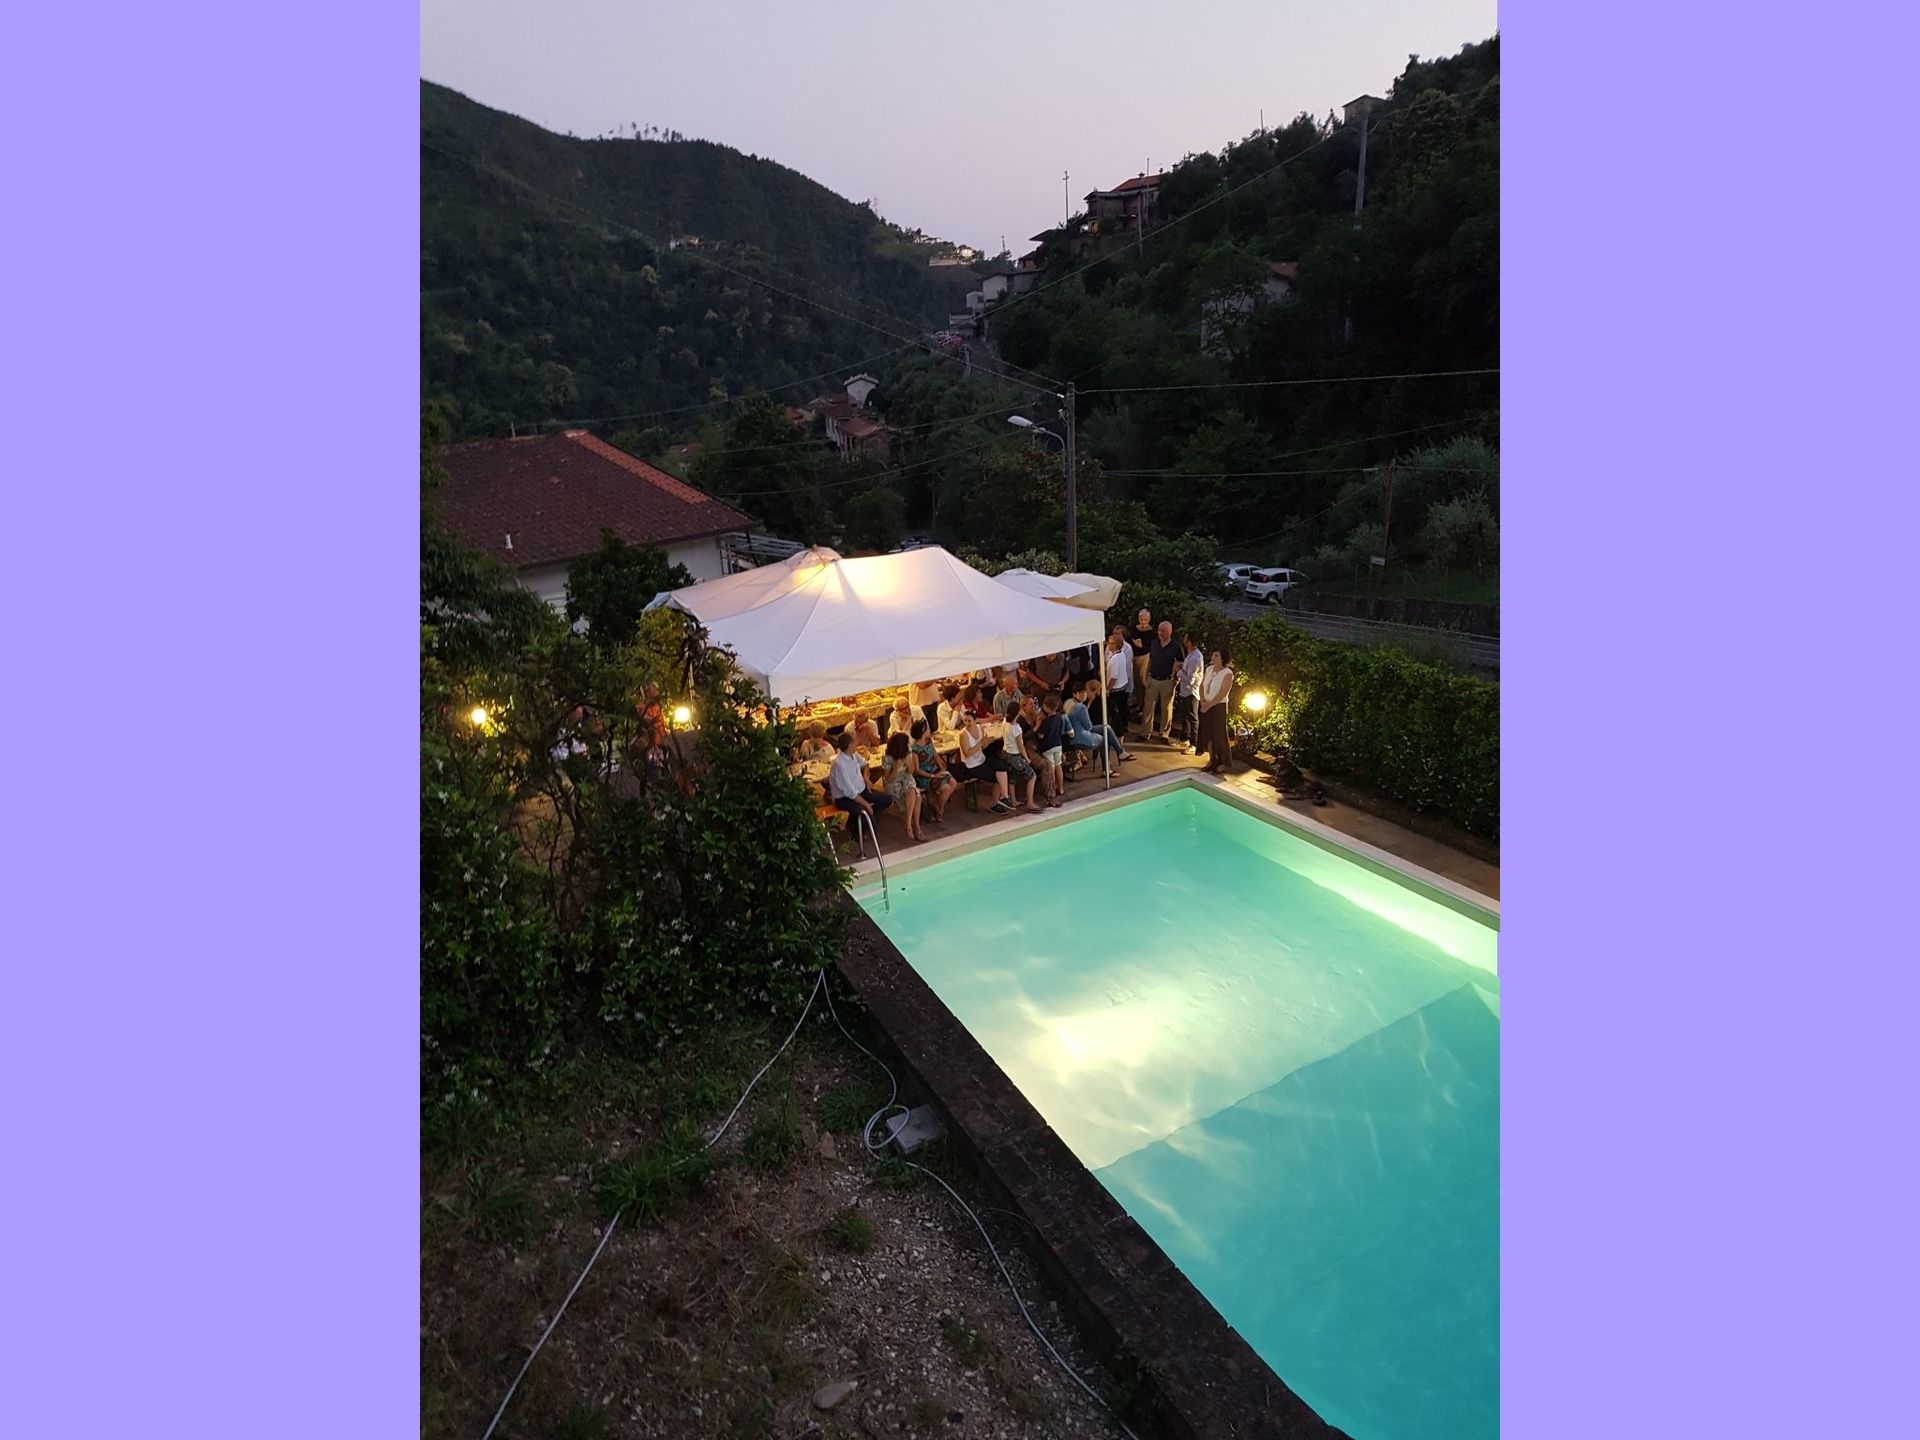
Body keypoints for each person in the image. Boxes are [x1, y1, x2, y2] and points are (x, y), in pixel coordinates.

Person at [956, 708, 1015, 813]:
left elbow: (982, 747)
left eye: (969, 721)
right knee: (997, 777)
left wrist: (987, 742)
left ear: (975, 720)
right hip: (971, 765)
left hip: (981, 759)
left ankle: (1004, 797)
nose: (967, 723)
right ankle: (996, 803)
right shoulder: (963, 734)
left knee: (1003, 767)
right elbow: (967, 754)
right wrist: (981, 743)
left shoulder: (980, 728)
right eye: (965, 720)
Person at [827, 729, 892, 823]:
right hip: (845, 798)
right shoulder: (839, 764)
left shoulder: (854, 754)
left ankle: (867, 817)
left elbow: (865, 764)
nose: (857, 742)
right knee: (865, 812)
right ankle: (862, 823)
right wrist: (865, 804)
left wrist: (866, 778)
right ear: (850, 745)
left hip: (862, 790)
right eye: (855, 741)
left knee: (887, 799)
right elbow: (850, 792)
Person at [1064, 679, 1131, 766]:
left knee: (1106, 728)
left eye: (1085, 692)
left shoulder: (1068, 703)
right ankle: (1106, 767)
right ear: (1075, 694)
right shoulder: (1081, 707)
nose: (1084, 694)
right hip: (1081, 736)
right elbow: (1088, 727)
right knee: (1105, 738)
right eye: (1082, 693)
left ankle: (1120, 752)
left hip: (1072, 736)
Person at [907, 718, 957, 821]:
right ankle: (940, 810)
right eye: (927, 728)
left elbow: (935, 756)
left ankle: (937, 806)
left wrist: (942, 769)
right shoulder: (915, 749)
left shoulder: (928, 741)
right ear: (923, 731)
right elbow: (917, 770)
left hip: (934, 770)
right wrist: (933, 776)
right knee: (946, 788)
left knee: (953, 783)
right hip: (924, 775)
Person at [880, 732, 925, 840]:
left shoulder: (907, 753)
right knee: (917, 796)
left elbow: (911, 771)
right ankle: (915, 827)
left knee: (913, 791)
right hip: (894, 783)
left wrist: (908, 763)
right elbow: (888, 779)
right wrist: (897, 766)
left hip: (907, 779)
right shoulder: (887, 758)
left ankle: (911, 825)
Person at [1199, 645, 1236, 775]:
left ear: (1223, 659)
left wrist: (1210, 704)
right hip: (1206, 705)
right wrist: (1202, 700)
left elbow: (1222, 693)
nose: (1213, 658)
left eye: (1216, 656)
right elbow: (1202, 686)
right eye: (1213, 655)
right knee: (1208, 734)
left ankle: (1221, 762)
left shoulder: (1227, 673)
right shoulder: (1209, 669)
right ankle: (1211, 759)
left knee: (1219, 735)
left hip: (1218, 707)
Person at [999, 697, 1040, 811]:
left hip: (1006, 753)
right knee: (1032, 776)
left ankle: (1013, 800)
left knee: (1013, 776)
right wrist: (1026, 758)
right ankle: (1030, 802)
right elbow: (1020, 745)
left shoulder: (1005, 722)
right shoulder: (1016, 728)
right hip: (1015, 755)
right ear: (1018, 712)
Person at [1143, 619, 1179, 743]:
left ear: (1170, 632)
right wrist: (1145, 676)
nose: (1160, 633)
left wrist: (1176, 679)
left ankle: (1164, 734)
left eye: (1163, 631)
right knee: (1148, 707)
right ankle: (1145, 732)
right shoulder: (1154, 643)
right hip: (1153, 679)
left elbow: (1179, 663)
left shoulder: (1176, 646)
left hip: (1167, 681)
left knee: (1166, 709)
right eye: (1159, 630)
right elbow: (1150, 660)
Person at [1035, 692, 1068, 807]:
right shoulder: (1059, 717)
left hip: (1048, 747)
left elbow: (1041, 735)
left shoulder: (1046, 721)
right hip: (1058, 745)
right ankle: (1061, 787)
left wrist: (1038, 725)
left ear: (1047, 708)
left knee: (1051, 769)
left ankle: (1052, 788)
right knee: (1058, 766)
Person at [1176, 631, 1205, 754]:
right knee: (1185, 716)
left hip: (1191, 692)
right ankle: (1185, 739)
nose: (1184, 640)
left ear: (1190, 642)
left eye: (1186, 638)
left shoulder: (1195, 657)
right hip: (1185, 691)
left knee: (1192, 717)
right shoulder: (1191, 654)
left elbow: (1190, 679)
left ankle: (1194, 743)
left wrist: (1178, 671)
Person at [1104, 632, 1133, 737]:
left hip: (1116, 690)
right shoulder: (1121, 654)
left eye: (1110, 642)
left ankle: (1118, 733)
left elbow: (1113, 677)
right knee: (1121, 710)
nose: (1108, 644)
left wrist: (1107, 689)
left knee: (1115, 712)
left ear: (1115, 645)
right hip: (1122, 687)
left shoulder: (1115, 659)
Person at [1129, 608, 1154, 728]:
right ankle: (1139, 704)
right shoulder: (1135, 629)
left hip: (1145, 657)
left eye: (1145, 619)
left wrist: (1141, 646)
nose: (1143, 622)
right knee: (1137, 681)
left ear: (1149, 619)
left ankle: (1145, 706)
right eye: (1141, 619)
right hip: (1134, 657)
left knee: (1143, 680)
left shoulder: (1151, 632)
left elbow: (1151, 647)